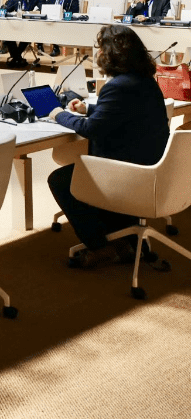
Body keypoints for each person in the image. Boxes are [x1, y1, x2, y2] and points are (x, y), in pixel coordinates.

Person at [47, 25, 170, 268]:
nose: (98, 53)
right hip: (152, 167)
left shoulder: (117, 86)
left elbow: (92, 129)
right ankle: (125, 241)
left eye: (100, 49)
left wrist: (59, 114)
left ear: (111, 54)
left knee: (61, 180)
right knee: (81, 171)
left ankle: (101, 247)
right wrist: (89, 109)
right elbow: (124, 114)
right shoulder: (144, 81)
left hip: (128, 173)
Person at [3, 0, 45, 65]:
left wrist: (33, 12)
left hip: (32, 25)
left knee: (27, 33)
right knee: (6, 31)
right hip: (16, 24)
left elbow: (43, 10)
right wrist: (3, 9)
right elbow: (7, 8)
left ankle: (15, 58)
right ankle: (17, 58)